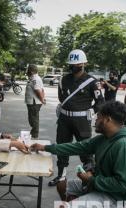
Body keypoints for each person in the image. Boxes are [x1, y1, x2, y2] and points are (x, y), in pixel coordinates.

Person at [48, 49, 105, 187]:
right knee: (62, 147)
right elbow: (62, 98)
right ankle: (61, 177)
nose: (74, 67)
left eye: (77, 64)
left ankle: (88, 178)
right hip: (64, 120)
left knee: (86, 151)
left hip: (82, 121)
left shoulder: (92, 82)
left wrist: (91, 111)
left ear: (84, 64)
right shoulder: (63, 79)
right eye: (72, 64)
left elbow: (101, 102)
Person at [24, 64, 46, 139]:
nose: (27, 72)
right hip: (32, 102)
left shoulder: (35, 79)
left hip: (34, 102)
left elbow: (38, 90)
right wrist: (43, 98)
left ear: (32, 71)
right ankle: (33, 132)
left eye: (29, 70)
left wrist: (42, 99)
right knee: (32, 118)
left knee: (34, 119)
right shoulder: (33, 78)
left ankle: (34, 134)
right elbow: (42, 89)